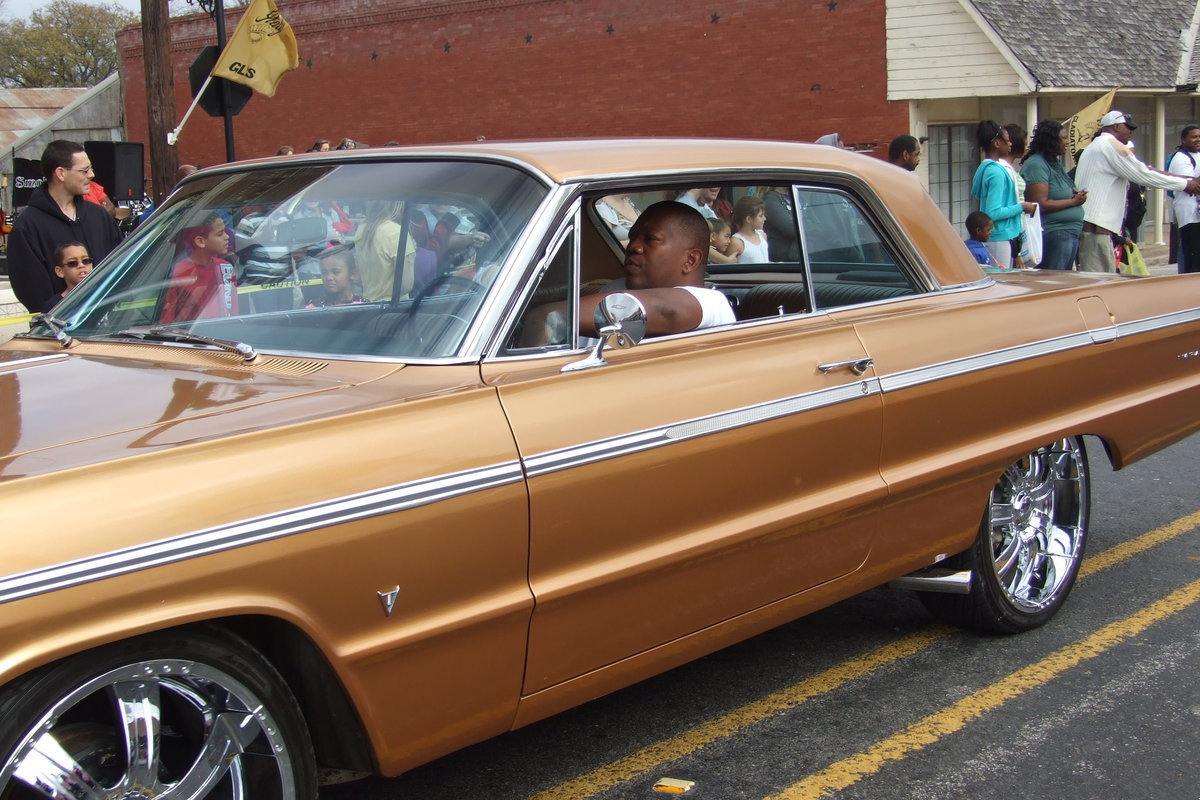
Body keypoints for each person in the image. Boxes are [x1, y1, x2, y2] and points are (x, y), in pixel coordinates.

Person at [579, 201, 735, 337]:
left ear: (690, 260)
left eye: (650, 239)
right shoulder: (615, 288)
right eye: (633, 237)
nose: (633, 246)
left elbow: (663, 310)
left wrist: (556, 318)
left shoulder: (713, 303)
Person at [1075, 110, 1200, 272]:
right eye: (1128, 128)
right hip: (1097, 225)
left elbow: (1143, 171)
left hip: (1094, 223)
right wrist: (1184, 184)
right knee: (1099, 279)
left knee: (1098, 276)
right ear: (1116, 127)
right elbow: (1143, 174)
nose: (1131, 132)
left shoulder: (1097, 145)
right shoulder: (1110, 146)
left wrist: (1184, 181)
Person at [6, 140, 122, 313]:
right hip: (57, 332)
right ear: (60, 173)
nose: (91, 174)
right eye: (84, 170)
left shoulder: (99, 216)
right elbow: (32, 293)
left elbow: (121, 266)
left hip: (107, 326)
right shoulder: (27, 226)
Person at [1020, 119, 1087, 270]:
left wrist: (1076, 195)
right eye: (1063, 138)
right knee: (1056, 283)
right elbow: (1039, 204)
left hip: (1070, 233)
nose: (1067, 142)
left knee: (1064, 282)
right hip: (1055, 233)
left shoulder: (1055, 163)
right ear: (1051, 140)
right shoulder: (1036, 164)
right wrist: (1073, 202)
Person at [970, 120, 1036, 268]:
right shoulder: (996, 173)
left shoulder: (988, 168)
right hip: (999, 236)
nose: (1011, 144)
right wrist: (1022, 207)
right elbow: (993, 212)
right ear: (997, 144)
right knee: (1001, 280)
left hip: (1000, 237)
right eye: (1007, 141)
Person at [160, 212, 236, 323]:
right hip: (190, 337)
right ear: (200, 241)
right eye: (220, 234)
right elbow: (168, 317)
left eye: (225, 231)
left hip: (224, 335)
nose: (227, 237)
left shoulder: (226, 268)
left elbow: (233, 312)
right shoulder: (180, 271)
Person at [1167, 124, 1200, 273]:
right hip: (1189, 216)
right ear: (1183, 139)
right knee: (1192, 257)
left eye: (1199, 136)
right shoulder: (1180, 158)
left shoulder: (1197, 155)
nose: (1198, 139)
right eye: (1194, 136)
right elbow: (1191, 185)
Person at [47, 242, 93, 308]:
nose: (81, 265)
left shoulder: (106, 294)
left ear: (91, 265)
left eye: (85, 261)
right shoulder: (53, 305)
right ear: (60, 271)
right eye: (72, 263)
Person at [728, 195, 770, 264]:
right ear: (748, 219)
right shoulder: (737, 242)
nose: (764, 219)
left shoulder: (763, 236)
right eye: (761, 216)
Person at [763, 186, 800, 262]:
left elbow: (819, 225)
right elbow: (791, 229)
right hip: (788, 259)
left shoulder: (797, 194)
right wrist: (813, 229)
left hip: (809, 251)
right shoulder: (770, 200)